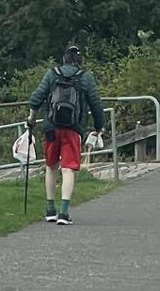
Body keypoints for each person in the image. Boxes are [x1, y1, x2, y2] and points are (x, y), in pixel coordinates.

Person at [28, 44, 106, 224]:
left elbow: (36, 97)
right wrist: (98, 127)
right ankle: (63, 212)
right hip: (73, 129)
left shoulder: (52, 74)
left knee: (51, 166)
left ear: (63, 59)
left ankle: (49, 209)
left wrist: (31, 119)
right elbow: (96, 105)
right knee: (68, 168)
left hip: (51, 128)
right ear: (79, 61)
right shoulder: (85, 78)